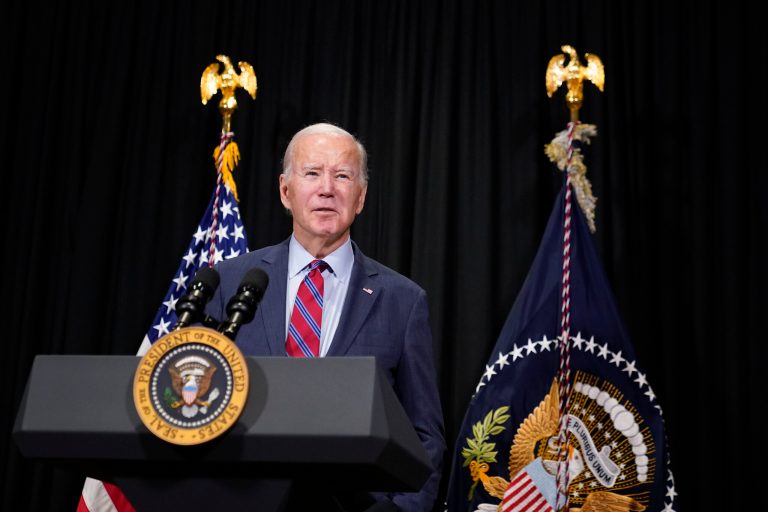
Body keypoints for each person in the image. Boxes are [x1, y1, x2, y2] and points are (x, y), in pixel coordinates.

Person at [206, 122, 445, 511]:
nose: (327, 188)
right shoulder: (231, 282)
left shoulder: (402, 301)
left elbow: (425, 436)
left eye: (343, 176)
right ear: (286, 190)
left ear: (361, 197)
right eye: (312, 172)